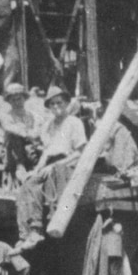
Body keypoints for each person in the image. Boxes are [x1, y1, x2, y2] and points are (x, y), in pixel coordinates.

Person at [15, 86, 87, 249]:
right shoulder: (49, 126)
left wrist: (55, 165)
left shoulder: (74, 123)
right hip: (49, 164)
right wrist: (36, 170)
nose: (56, 107)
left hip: (66, 164)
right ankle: (32, 231)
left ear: (67, 103)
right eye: (52, 104)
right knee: (29, 185)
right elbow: (46, 152)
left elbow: (80, 152)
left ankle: (54, 219)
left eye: (59, 102)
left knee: (52, 181)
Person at [0, 83, 41, 181]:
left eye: (19, 99)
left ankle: (36, 168)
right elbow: (9, 127)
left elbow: (39, 127)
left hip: (29, 147)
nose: (17, 102)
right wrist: (25, 132)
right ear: (9, 101)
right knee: (14, 136)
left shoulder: (30, 115)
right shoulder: (6, 116)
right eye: (13, 100)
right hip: (12, 152)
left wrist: (35, 133)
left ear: (24, 99)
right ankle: (20, 167)